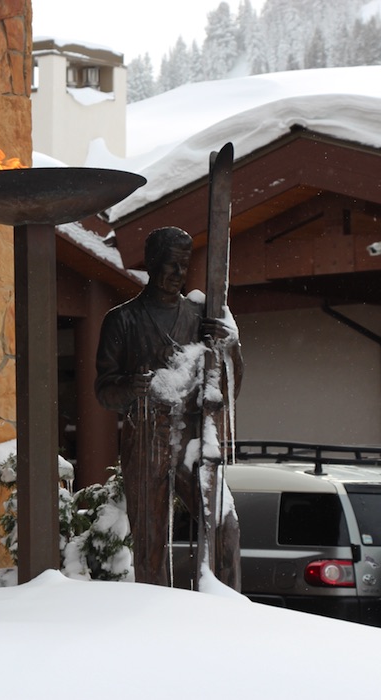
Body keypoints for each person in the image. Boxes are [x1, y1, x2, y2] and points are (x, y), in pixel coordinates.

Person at [95, 226, 243, 587]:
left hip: (192, 435)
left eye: (183, 266)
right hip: (146, 435)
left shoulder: (197, 318)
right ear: (151, 264)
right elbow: (103, 390)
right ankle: (154, 611)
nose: (178, 274)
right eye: (170, 265)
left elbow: (227, 389)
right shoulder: (123, 320)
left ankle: (226, 602)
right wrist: (130, 386)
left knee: (223, 523)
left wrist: (228, 348)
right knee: (150, 540)